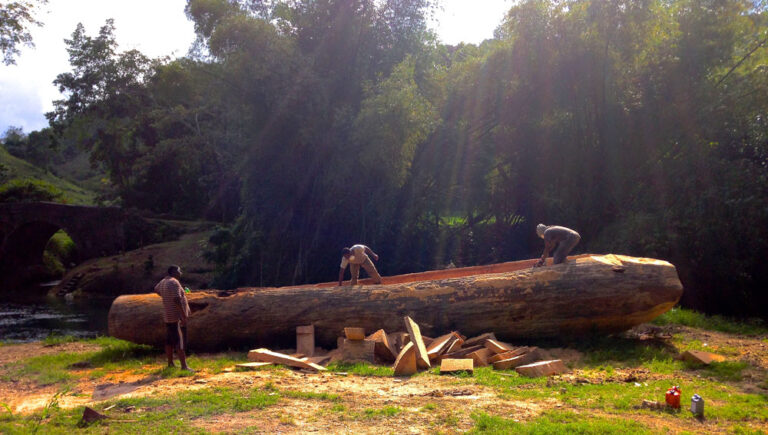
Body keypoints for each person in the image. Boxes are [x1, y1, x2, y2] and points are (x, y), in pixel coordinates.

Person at [155, 265, 192, 371]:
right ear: (174, 272)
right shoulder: (174, 282)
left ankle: (170, 363)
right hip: (176, 317)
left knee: (169, 341)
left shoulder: (163, 281)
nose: (181, 273)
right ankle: (184, 366)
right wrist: (183, 316)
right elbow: (176, 300)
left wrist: (166, 296)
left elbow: (156, 289)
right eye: (179, 271)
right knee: (180, 341)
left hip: (168, 316)